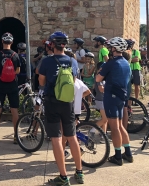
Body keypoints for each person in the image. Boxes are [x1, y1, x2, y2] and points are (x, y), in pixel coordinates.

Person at [38, 31, 83, 185]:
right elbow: (74, 80)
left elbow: (42, 82)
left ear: (52, 45)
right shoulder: (73, 61)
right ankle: (79, 172)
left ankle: (63, 177)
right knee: (72, 136)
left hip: (52, 102)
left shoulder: (47, 61)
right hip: (68, 102)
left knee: (56, 138)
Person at [95, 37, 133, 166]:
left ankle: (117, 156)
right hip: (121, 96)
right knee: (121, 126)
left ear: (114, 49)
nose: (109, 49)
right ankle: (128, 153)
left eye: (111, 47)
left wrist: (101, 74)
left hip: (111, 96)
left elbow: (98, 78)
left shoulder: (110, 63)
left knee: (115, 127)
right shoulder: (126, 62)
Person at [0, 32, 21, 144]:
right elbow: (18, 71)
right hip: (13, 85)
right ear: (12, 42)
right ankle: (15, 135)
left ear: (2, 42)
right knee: (14, 110)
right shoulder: (15, 55)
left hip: (0, 85)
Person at [93, 62, 108, 134]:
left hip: (104, 99)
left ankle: (103, 136)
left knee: (105, 119)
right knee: (105, 119)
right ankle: (92, 131)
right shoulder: (98, 77)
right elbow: (101, 89)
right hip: (100, 99)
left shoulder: (103, 77)